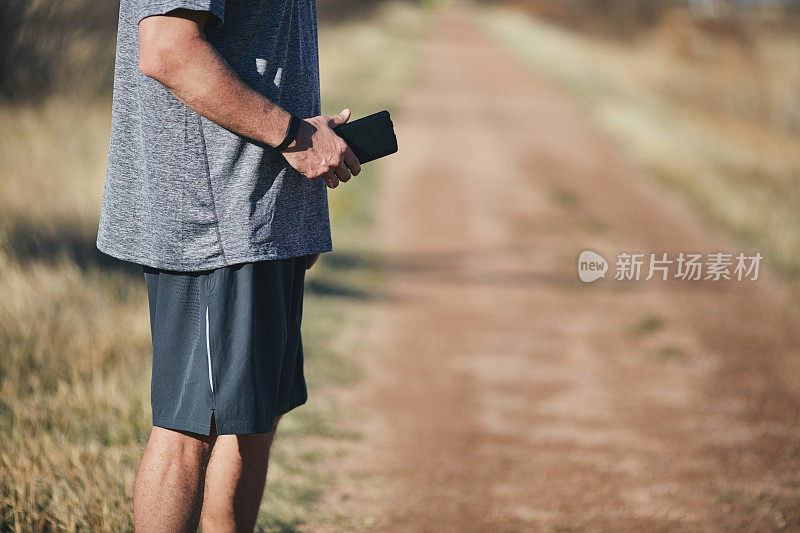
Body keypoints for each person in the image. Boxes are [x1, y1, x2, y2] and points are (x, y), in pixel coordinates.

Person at [95, 0, 360, 530]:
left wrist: (295, 204)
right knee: (190, 426)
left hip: (263, 212)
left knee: (253, 420)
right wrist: (295, 137)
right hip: (214, 215)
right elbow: (167, 50)